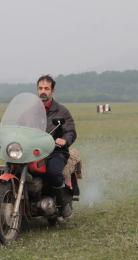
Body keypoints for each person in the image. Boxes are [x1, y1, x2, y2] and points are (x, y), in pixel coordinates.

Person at [36, 74, 77, 219]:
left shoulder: (61, 111)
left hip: (55, 151)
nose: (43, 91)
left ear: (52, 91)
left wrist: (64, 140)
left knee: (53, 172)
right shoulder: (31, 110)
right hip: (33, 152)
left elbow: (71, 131)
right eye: (40, 88)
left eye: (46, 88)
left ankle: (63, 204)